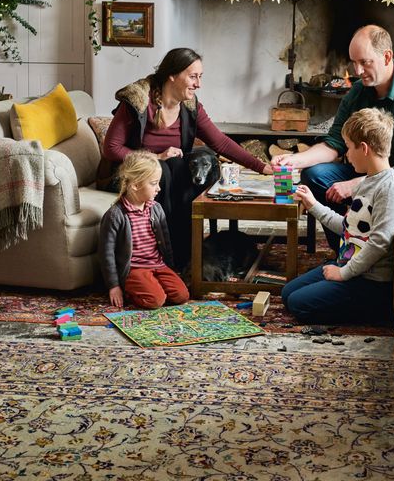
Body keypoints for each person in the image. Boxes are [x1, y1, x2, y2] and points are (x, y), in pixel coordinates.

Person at [272, 25, 394, 251]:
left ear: (387, 56)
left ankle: (368, 257)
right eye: (353, 62)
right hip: (364, 171)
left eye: (365, 62)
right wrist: (293, 161)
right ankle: (344, 251)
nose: (357, 70)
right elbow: (334, 145)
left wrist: (358, 185)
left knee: (382, 191)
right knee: (314, 175)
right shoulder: (358, 91)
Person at [103, 47, 273, 263]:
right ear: (172, 75)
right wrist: (156, 157)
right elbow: (111, 148)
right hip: (130, 175)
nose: (198, 84)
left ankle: (185, 255)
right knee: (164, 167)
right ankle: (164, 253)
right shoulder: (137, 102)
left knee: (182, 166)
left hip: (172, 175)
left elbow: (219, 142)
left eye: (200, 77)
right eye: (193, 77)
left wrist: (262, 167)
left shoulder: (190, 107)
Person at [281, 108, 394, 325]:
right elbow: (349, 228)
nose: (346, 155)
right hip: (351, 267)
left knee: (298, 304)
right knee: (287, 293)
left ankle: (377, 312)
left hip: (369, 282)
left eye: (348, 147)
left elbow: (379, 243)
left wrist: (343, 274)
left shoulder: (389, 188)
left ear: (364, 148)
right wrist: (313, 205)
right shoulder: (367, 181)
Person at [97, 150, 189, 309]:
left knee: (182, 295)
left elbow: (165, 242)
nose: (159, 188)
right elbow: (106, 253)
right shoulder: (115, 215)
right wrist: (114, 286)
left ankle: (153, 283)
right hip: (135, 269)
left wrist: (170, 269)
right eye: (154, 183)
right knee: (156, 301)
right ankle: (131, 290)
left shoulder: (156, 208)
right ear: (135, 185)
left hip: (158, 265)